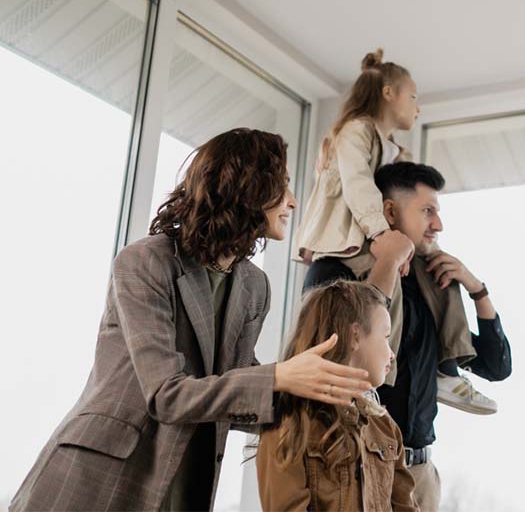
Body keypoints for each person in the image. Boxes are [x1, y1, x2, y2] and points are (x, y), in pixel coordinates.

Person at [11, 129, 373, 512]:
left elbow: (231, 390)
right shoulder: (145, 262)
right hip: (96, 479)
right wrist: (279, 377)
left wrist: (317, 393)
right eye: (281, 185)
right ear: (247, 186)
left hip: (184, 482)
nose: (293, 201)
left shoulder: (254, 286)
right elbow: (166, 394)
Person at [293, 48, 496, 414]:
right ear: (389, 93)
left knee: (438, 267)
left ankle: (447, 371)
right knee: (390, 294)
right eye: (413, 97)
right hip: (350, 241)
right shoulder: (356, 132)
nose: (418, 108)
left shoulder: (395, 151)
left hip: (372, 237)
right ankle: (384, 378)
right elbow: (357, 185)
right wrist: (383, 235)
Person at [305, 161, 512, 511]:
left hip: (419, 476)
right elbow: (328, 364)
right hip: (354, 467)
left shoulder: (433, 284)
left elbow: (496, 366)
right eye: (428, 211)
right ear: (389, 212)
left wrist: (476, 289)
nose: (438, 225)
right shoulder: (335, 271)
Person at [257, 280, 417, 511]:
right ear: (355, 336)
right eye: (386, 337)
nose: (392, 353)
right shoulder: (290, 424)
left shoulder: (385, 427)